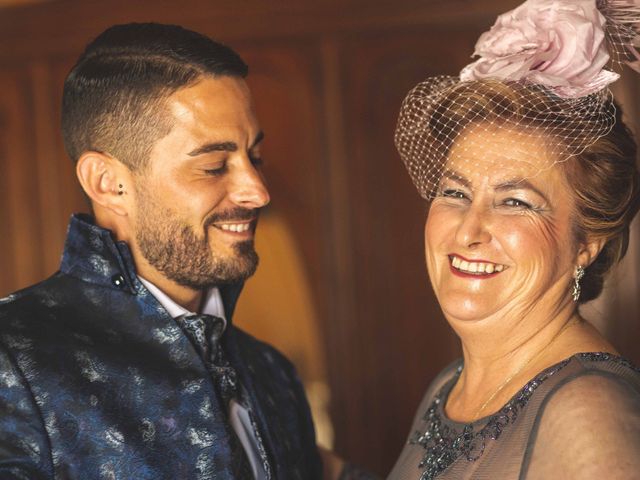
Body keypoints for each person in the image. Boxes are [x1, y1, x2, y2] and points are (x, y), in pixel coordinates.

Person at [0, 23, 324, 479]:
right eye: (214, 166)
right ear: (108, 184)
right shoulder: (12, 361)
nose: (258, 191)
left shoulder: (271, 373)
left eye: (255, 158)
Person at [388, 0, 640, 478]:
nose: (468, 230)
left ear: (587, 239)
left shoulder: (589, 414)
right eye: (455, 192)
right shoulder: (451, 385)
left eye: (516, 202)